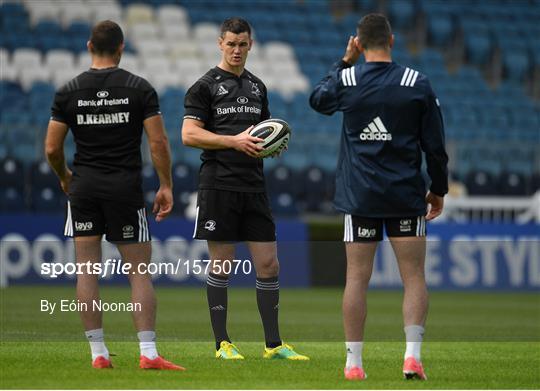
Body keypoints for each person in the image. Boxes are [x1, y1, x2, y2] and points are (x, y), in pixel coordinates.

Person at [310, 14, 448, 381]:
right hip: (404, 194)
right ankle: (412, 357)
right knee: (414, 276)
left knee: (356, 278)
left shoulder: (348, 78)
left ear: (358, 42)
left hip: (360, 197)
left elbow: (317, 100)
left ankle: (354, 364)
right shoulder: (416, 82)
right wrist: (439, 189)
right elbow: (435, 146)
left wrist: (343, 62)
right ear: (392, 39)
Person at [45, 20, 184, 371]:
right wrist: (166, 184)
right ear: (122, 48)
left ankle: (98, 355)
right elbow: (158, 142)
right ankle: (149, 354)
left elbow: (51, 147)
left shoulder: (68, 91)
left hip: (85, 187)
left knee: (86, 272)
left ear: (90, 46)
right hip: (124, 188)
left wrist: (65, 177)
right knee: (139, 271)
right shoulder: (139, 88)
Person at [182, 17, 308, 361]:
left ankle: (273, 345)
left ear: (250, 45)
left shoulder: (257, 87)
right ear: (220, 44)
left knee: (269, 265)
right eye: (231, 44)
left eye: (243, 44)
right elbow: (189, 135)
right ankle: (222, 343)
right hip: (219, 185)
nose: (237, 50)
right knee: (222, 264)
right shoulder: (204, 86)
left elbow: (263, 131)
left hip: (253, 186)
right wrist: (233, 141)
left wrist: (272, 145)